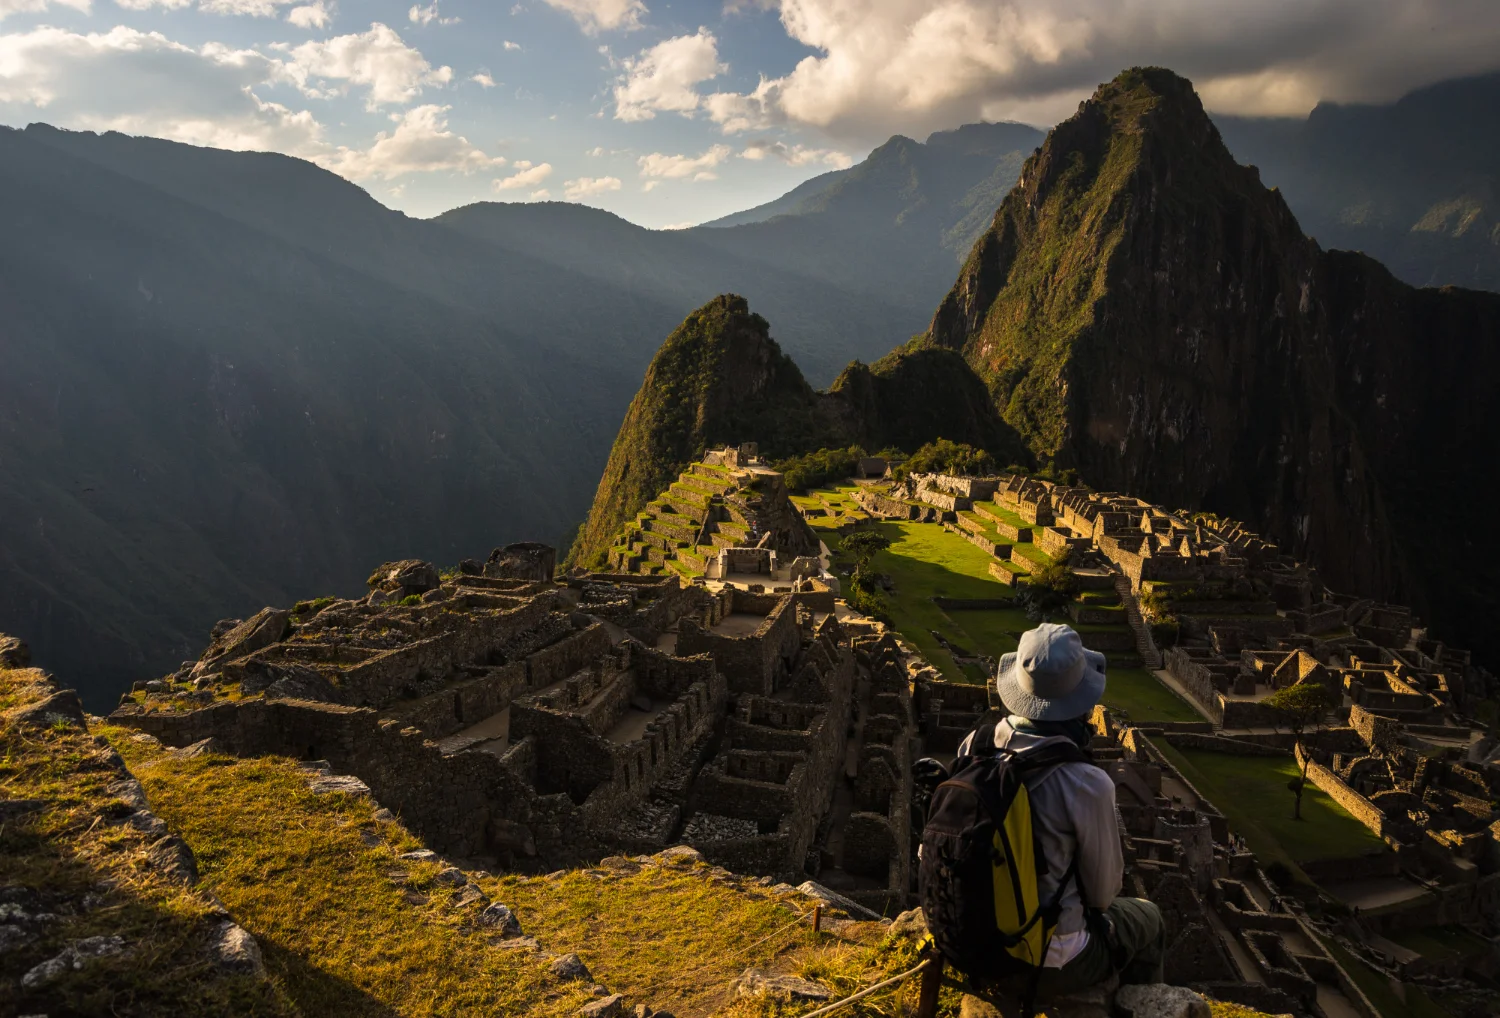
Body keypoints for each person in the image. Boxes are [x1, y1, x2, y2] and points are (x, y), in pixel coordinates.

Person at [958, 622, 1164, 1006]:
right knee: (1148, 920)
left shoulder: (976, 745)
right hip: (1046, 958)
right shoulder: (1085, 782)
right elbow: (1103, 894)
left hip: (966, 938)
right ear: (1081, 702)